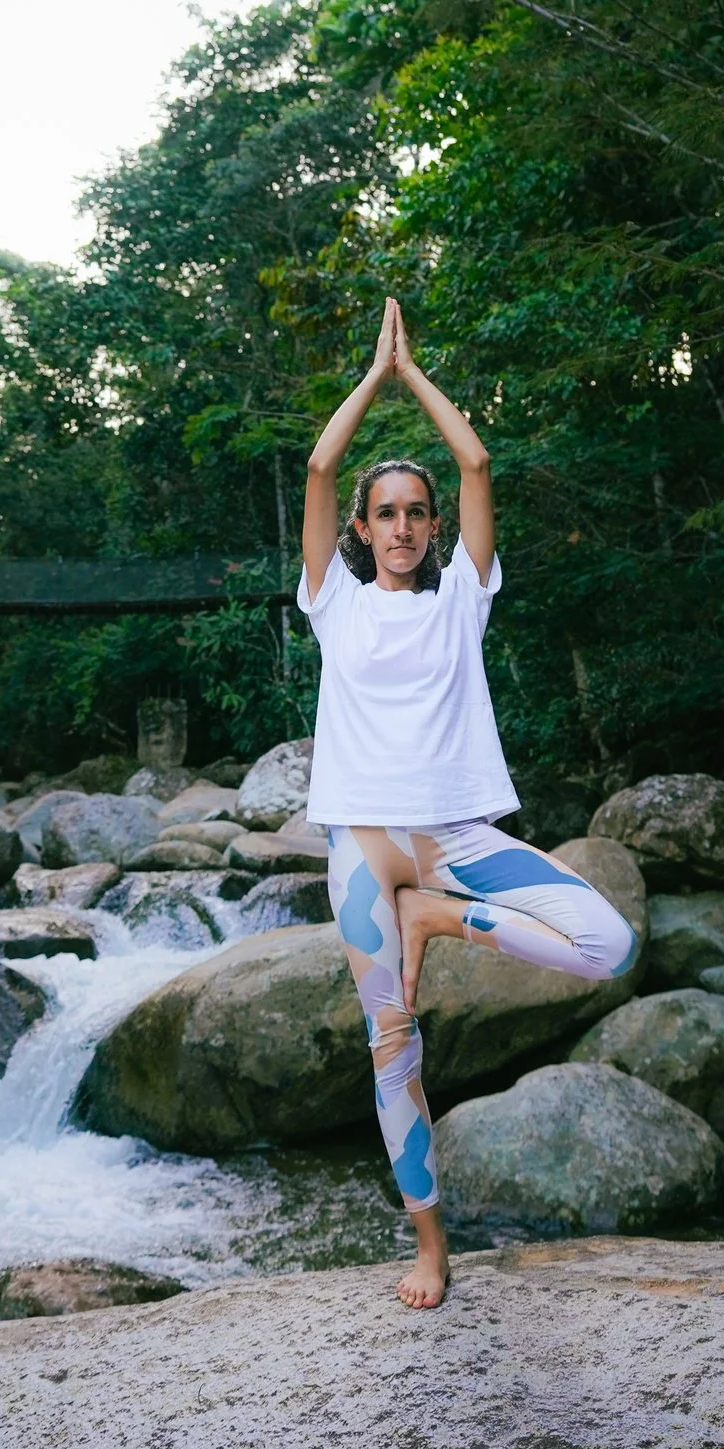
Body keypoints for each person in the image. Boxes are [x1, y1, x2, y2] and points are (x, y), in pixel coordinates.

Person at [300, 298, 638, 1309]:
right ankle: (430, 1244)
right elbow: (319, 470)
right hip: (366, 845)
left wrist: (417, 376)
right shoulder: (334, 600)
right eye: (385, 513)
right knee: (391, 1044)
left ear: (433, 524)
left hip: (451, 843)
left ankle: (437, 916)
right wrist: (370, 378)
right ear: (361, 531)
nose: (402, 526)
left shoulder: (464, 594)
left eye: (416, 510)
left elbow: (480, 462)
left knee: (606, 944)